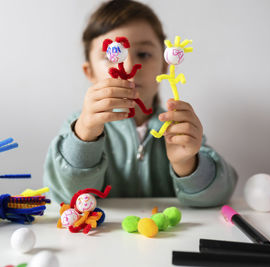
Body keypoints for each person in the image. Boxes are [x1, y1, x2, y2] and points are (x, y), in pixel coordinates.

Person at [43, 0, 237, 207]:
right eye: (112, 55)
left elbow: (219, 195)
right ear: (89, 72)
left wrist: (187, 163)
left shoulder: (176, 127)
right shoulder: (78, 127)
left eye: (143, 54)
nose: (128, 66)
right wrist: (84, 136)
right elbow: (65, 197)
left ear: (164, 65)